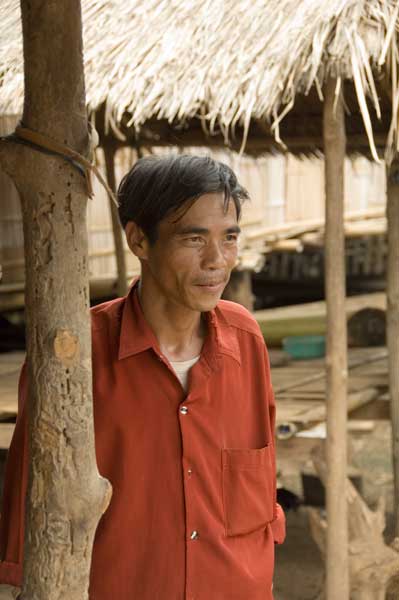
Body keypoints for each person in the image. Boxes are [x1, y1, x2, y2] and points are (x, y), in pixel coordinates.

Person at [0, 155, 285, 599]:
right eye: (194, 238)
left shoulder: (246, 341)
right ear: (139, 241)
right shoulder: (74, 356)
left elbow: (261, 495)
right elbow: (28, 508)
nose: (217, 261)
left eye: (229, 238)